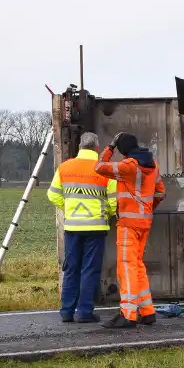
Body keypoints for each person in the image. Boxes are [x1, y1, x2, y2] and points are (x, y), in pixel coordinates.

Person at [94, 131, 166, 328]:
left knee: (126, 267)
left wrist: (110, 147)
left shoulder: (128, 166)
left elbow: (99, 167)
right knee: (137, 265)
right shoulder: (153, 165)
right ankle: (147, 311)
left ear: (123, 150)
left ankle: (127, 314)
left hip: (128, 224)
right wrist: (147, 209)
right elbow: (160, 192)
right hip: (144, 223)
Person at [47, 132, 118, 323]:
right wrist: (107, 214)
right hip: (96, 227)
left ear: (79, 146)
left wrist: (69, 208)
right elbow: (113, 201)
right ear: (96, 148)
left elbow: (53, 195)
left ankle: (66, 312)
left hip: (72, 226)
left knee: (71, 269)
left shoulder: (65, 167)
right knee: (89, 270)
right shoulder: (104, 169)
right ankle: (84, 312)